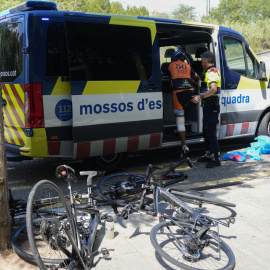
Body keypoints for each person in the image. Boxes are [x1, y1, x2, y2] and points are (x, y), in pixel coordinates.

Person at [191, 51, 221, 168]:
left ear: (205, 61)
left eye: (202, 60)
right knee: (206, 130)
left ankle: (216, 159)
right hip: (208, 105)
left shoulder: (212, 72)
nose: (201, 62)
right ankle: (209, 155)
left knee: (211, 132)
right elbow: (206, 86)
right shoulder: (208, 72)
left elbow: (213, 89)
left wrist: (200, 96)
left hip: (211, 105)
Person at [168, 49, 200, 156]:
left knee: (180, 118)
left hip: (178, 92)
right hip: (190, 91)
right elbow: (197, 78)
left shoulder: (170, 65)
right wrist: (193, 82)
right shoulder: (188, 66)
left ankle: (184, 145)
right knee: (182, 113)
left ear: (174, 59)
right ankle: (180, 130)